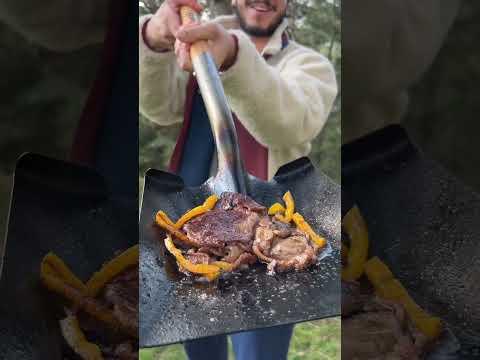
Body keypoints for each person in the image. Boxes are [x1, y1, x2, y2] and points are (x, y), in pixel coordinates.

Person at [139, 0, 337, 359]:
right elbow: (158, 106)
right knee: (202, 351)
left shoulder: (309, 64)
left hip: (273, 248)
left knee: (259, 354)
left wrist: (232, 58)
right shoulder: (196, 42)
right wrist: (153, 36)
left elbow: (290, 123)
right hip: (191, 235)